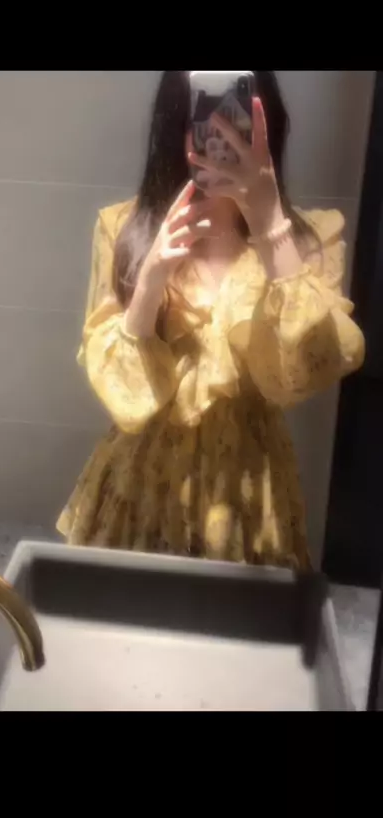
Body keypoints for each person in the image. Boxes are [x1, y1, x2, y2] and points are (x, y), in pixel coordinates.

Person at [56, 71, 365, 569]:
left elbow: (302, 374)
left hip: (248, 504)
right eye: (201, 113)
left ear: (266, 124)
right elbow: (120, 393)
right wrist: (151, 281)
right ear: (177, 123)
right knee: (127, 614)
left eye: (235, 116)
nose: (219, 132)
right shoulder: (124, 228)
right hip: (135, 497)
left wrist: (269, 224)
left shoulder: (311, 240)